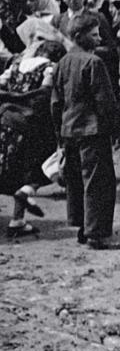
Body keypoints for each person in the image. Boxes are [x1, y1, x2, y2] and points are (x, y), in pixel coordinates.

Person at [0, 40, 62, 238]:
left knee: (7, 167)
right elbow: (44, 94)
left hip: (5, 121)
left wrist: (11, 97)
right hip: (32, 125)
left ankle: (18, 219)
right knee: (38, 167)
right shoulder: (50, 68)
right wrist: (24, 98)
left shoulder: (15, 66)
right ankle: (19, 211)